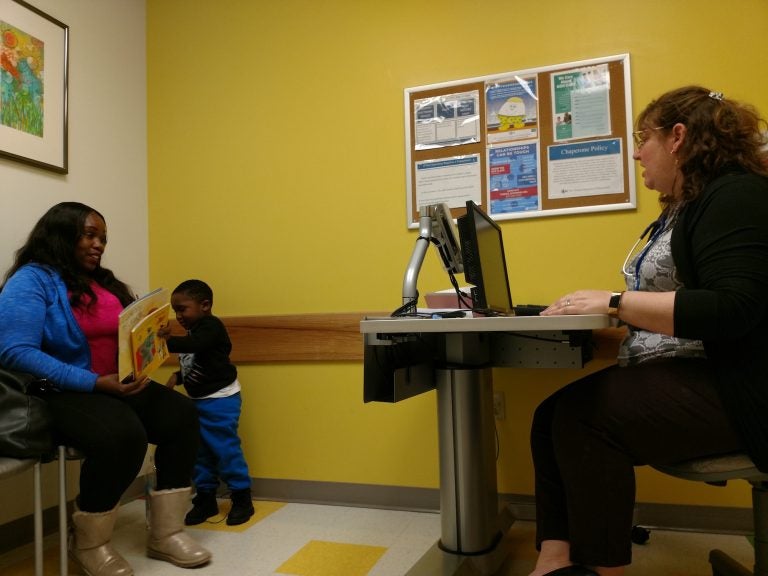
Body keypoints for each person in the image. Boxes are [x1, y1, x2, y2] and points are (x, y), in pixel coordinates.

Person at [530, 86, 768, 576]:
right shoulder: (684, 206)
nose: (637, 151)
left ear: (678, 138)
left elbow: (734, 307)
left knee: (582, 416)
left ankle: (603, 569)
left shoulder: (736, 194)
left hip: (740, 387)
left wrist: (615, 303)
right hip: (692, 372)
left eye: (644, 138)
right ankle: (554, 561)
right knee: (548, 415)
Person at [0, 202, 212, 576]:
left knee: (181, 416)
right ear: (60, 234)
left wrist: (154, 340)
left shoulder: (103, 282)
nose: (99, 245)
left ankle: (166, 532)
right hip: (61, 390)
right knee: (121, 436)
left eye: (103, 238)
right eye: (89, 235)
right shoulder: (31, 281)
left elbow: (126, 339)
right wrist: (94, 382)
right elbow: (15, 351)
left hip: (114, 383)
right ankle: (89, 542)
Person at [158, 279, 255, 526]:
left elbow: (197, 346)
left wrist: (164, 341)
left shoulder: (211, 327)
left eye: (182, 309)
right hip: (199, 400)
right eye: (175, 310)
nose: (178, 315)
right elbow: (199, 362)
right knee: (199, 452)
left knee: (225, 449)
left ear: (205, 305)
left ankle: (242, 498)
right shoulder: (193, 331)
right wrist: (178, 376)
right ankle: (205, 498)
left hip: (221, 399)